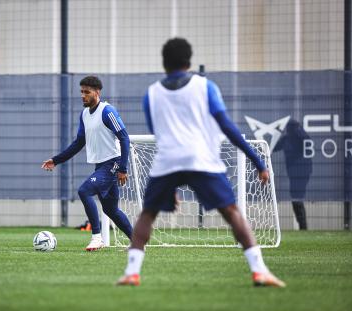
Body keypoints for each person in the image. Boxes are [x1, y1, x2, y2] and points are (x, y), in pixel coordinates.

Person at [117, 38, 285, 287]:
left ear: (164, 63)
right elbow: (227, 127)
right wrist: (258, 162)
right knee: (231, 212)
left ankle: (132, 272)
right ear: (188, 61)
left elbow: (161, 137)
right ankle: (258, 270)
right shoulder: (205, 87)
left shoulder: (151, 95)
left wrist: (170, 186)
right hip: (201, 159)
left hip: (167, 161)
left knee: (147, 214)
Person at [42, 76, 133, 251]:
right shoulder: (84, 114)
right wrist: (56, 160)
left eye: (87, 92)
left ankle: (97, 237)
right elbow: (78, 143)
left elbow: (124, 138)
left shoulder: (108, 112)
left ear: (97, 92)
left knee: (84, 190)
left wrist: (122, 167)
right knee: (110, 210)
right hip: (100, 166)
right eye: (81, 92)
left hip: (112, 164)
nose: (83, 95)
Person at [274, 119, 312, 230]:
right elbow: (274, 147)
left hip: (303, 172)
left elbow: (307, 141)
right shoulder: (286, 139)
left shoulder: (301, 137)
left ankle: (303, 226)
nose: (289, 130)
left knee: (297, 197)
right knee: (295, 197)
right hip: (292, 173)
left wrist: (298, 131)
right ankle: (302, 225)